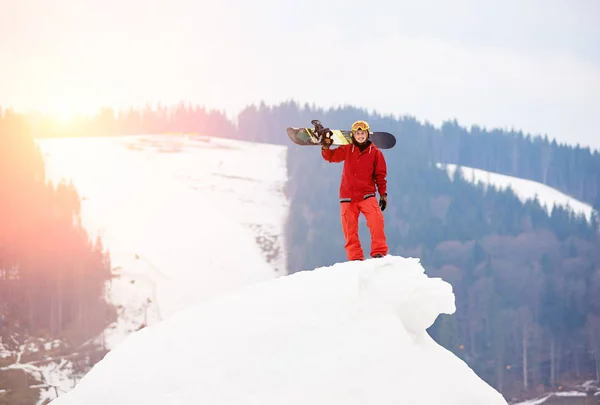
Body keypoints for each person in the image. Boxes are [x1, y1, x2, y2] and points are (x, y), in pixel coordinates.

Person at [320, 120, 388, 261]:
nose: (360, 136)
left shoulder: (375, 153)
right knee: (349, 230)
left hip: (367, 195)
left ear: (367, 134)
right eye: (358, 133)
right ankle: (355, 258)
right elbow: (331, 157)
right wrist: (325, 147)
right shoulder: (347, 149)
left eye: (363, 133)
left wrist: (383, 194)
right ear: (353, 135)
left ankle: (379, 253)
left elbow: (380, 176)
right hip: (347, 196)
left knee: (377, 221)